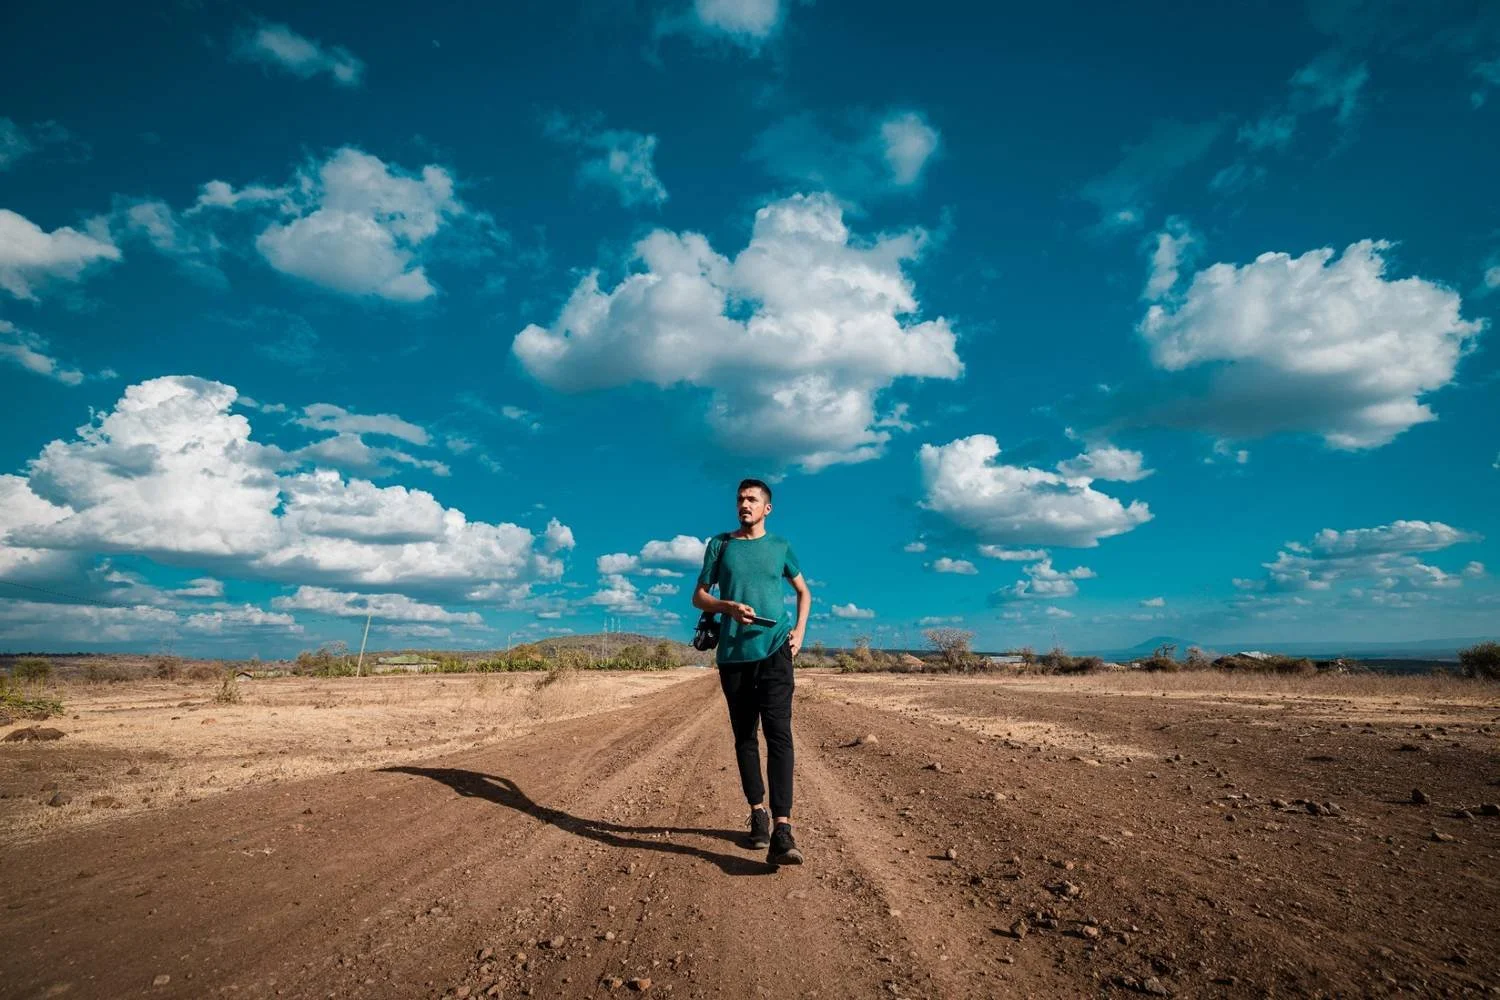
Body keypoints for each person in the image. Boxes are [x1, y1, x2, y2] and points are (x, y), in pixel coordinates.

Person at [692, 478, 811, 866]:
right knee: (745, 736)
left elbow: (803, 591)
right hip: (733, 656)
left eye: (752, 500)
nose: (744, 504)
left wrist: (799, 632)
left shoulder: (780, 546)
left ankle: (782, 829)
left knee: (779, 735)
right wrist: (727, 607)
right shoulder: (720, 544)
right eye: (740, 499)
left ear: (766, 508)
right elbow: (699, 596)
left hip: (775, 651)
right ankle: (757, 813)